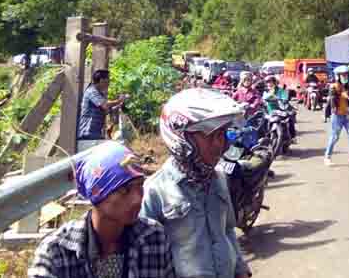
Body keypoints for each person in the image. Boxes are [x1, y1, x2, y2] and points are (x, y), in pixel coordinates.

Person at [141, 88, 251, 278]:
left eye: (224, 133)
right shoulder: (154, 191)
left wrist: (241, 269)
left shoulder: (219, 179)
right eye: (212, 136)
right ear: (182, 138)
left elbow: (227, 231)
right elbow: (146, 259)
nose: (222, 144)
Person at [28, 141, 173, 278]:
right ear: (97, 194)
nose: (137, 198)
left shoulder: (153, 237)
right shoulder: (56, 250)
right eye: (125, 190)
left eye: (140, 186)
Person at [324, 65, 349, 168]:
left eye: (346, 74)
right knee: (334, 137)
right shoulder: (334, 87)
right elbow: (332, 99)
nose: (345, 76)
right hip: (337, 116)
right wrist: (335, 105)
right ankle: (327, 157)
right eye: (342, 75)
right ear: (337, 76)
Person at [78, 69, 126, 141]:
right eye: (108, 80)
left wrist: (119, 105)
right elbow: (104, 105)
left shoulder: (99, 94)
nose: (109, 83)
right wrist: (118, 100)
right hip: (87, 133)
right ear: (101, 80)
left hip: (95, 134)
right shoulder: (91, 91)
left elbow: (106, 110)